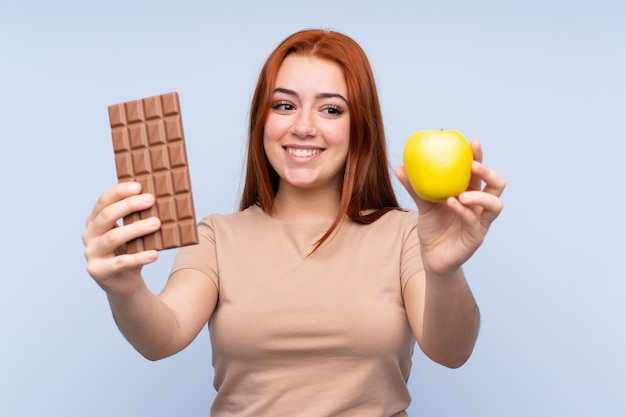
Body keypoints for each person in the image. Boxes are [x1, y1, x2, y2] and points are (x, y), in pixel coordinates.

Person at [83, 29, 506, 416]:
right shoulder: (215, 236)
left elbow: (451, 352)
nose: (303, 127)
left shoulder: (405, 234)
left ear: (360, 127)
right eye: (284, 105)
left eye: (331, 109)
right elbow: (163, 337)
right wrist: (125, 290)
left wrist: (445, 271)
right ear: (261, 123)